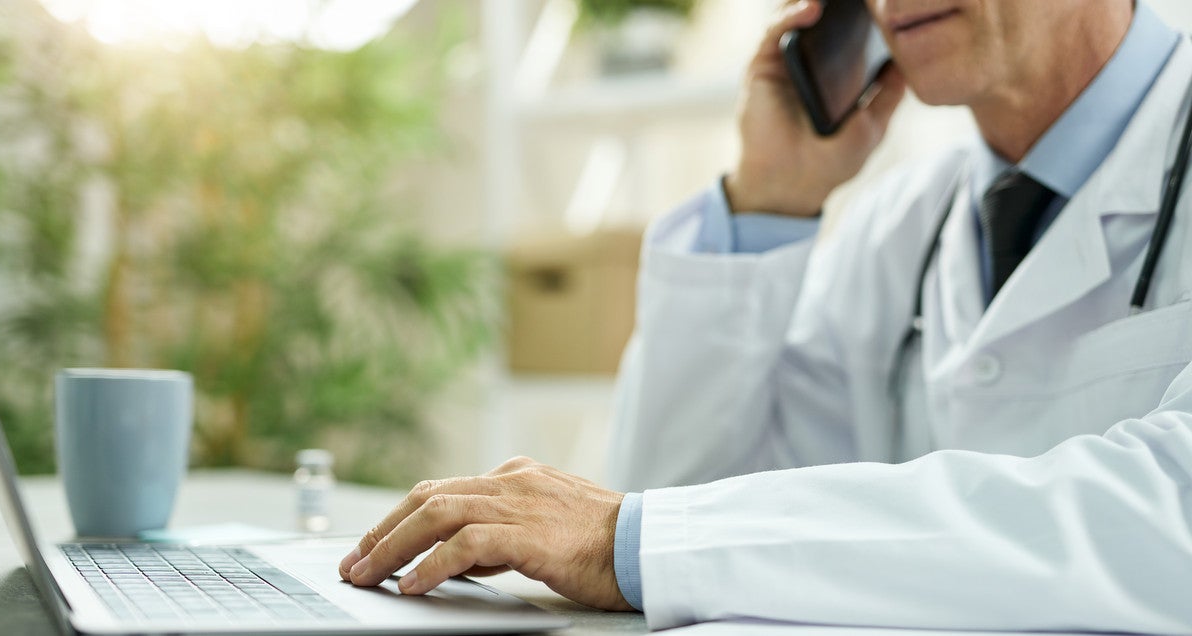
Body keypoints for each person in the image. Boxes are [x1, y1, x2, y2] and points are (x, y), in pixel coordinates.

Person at [339, 0, 1192, 632]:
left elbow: (1168, 521)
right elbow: (681, 499)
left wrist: (633, 538)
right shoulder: (906, 227)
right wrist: (770, 197)